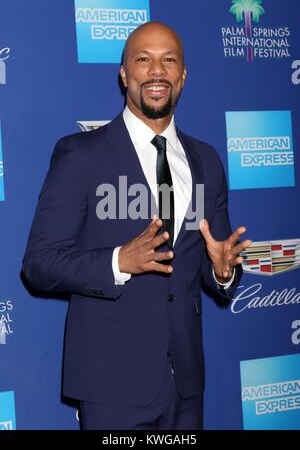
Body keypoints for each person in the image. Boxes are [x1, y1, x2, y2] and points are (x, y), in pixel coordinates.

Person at [22, 21, 251, 430]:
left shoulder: (207, 161)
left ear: (183, 75)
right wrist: (118, 262)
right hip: (111, 383)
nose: (157, 71)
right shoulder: (80, 155)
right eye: (143, 60)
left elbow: (210, 262)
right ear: (124, 74)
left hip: (187, 384)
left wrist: (222, 271)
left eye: (169, 60)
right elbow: (39, 263)